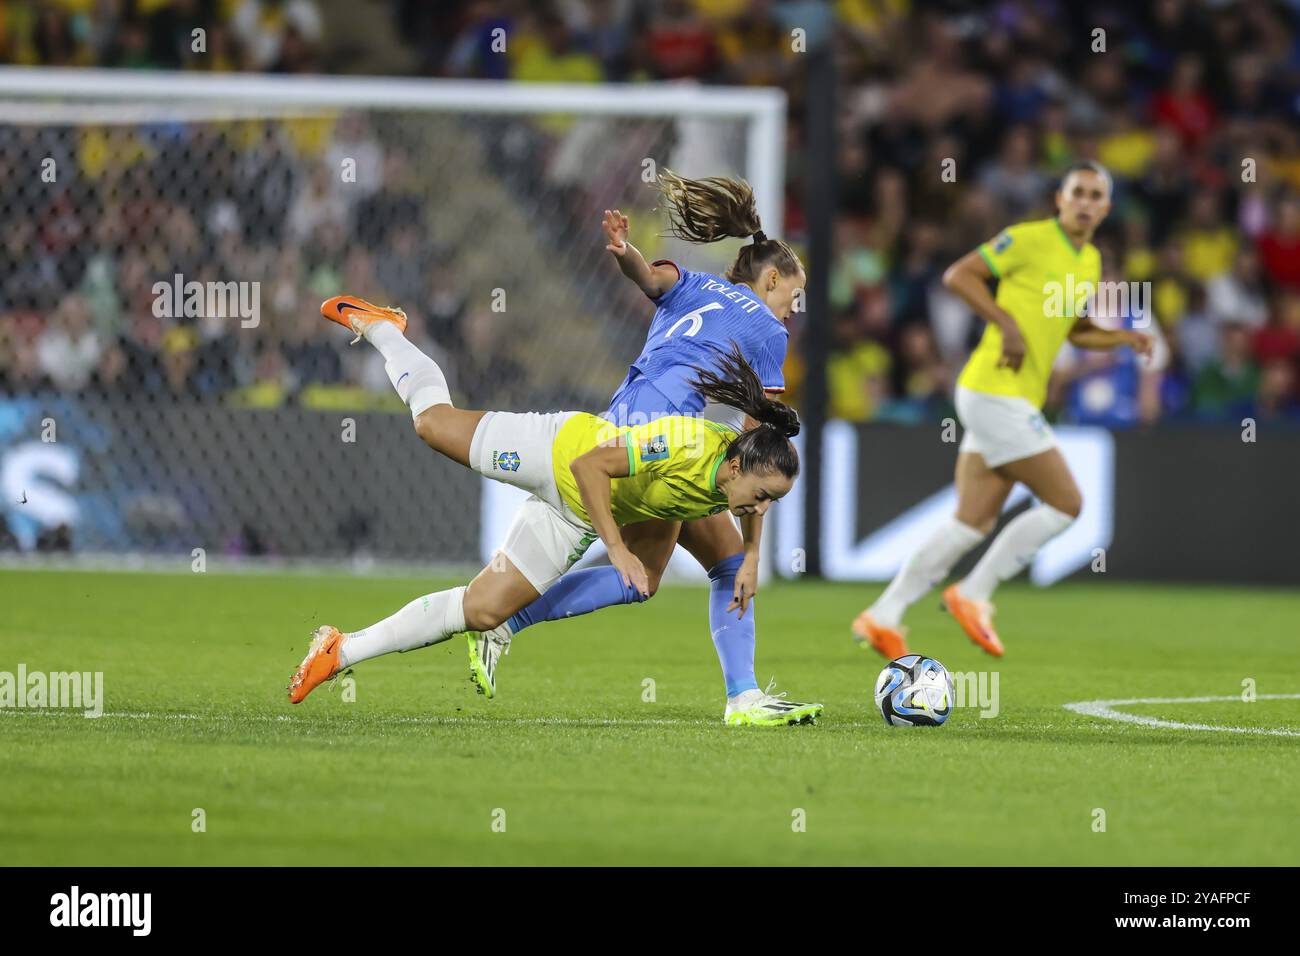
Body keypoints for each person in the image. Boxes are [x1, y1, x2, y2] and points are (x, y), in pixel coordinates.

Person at [287, 296, 820, 727]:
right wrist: (616, 550)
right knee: (431, 424)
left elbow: (749, 506)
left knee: (482, 610)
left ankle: (341, 650)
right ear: (736, 465)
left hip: (571, 516)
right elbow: (592, 466)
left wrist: (751, 555)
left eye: (772, 500)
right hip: (555, 450)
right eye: (764, 494)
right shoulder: (681, 444)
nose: (762, 506)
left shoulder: (738, 478)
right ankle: (384, 329)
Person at [852, 161, 1153, 658]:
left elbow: (1072, 327)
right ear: (1060, 198)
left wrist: (1122, 336)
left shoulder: (1091, 261)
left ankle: (883, 615)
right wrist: (1006, 324)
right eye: (1077, 192)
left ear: (1106, 208)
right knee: (1066, 504)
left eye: (1095, 196)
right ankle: (974, 593)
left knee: (970, 522)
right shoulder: (1028, 239)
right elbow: (959, 275)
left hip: (1006, 397)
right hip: (995, 390)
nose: (1084, 202)